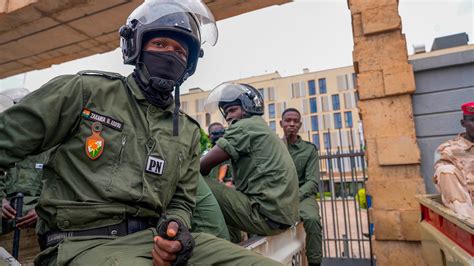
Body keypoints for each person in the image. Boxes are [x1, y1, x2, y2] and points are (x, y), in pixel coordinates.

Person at [0, 1, 281, 265]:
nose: (171, 54)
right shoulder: (85, 92)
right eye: (160, 43)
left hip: (152, 241)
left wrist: (175, 228)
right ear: (135, 47)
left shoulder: (187, 131)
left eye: (180, 51)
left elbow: (180, 200)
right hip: (80, 244)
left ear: (190, 64)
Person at [200, 82, 300, 243]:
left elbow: (201, 167)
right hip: (279, 217)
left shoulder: (245, 127)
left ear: (248, 108)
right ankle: (231, 244)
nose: (228, 117)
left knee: (192, 180)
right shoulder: (260, 127)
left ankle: (212, 248)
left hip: (264, 216)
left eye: (233, 110)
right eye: (226, 113)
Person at [280, 108, 323, 266]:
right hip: (279, 195)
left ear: (300, 124)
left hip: (303, 196)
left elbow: (312, 181)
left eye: (295, 121)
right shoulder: (275, 146)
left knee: (312, 219)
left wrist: (294, 197)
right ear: (281, 123)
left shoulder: (309, 149)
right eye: (288, 120)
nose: (291, 124)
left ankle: (315, 262)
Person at [433, 101, 474, 219]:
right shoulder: (447, 150)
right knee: (445, 170)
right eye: (473, 120)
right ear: (463, 123)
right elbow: (446, 181)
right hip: (467, 207)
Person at [206, 122, 234, 187]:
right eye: (215, 133)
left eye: (222, 133)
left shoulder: (232, 153)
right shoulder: (205, 156)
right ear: (209, 137)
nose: (220, 136)